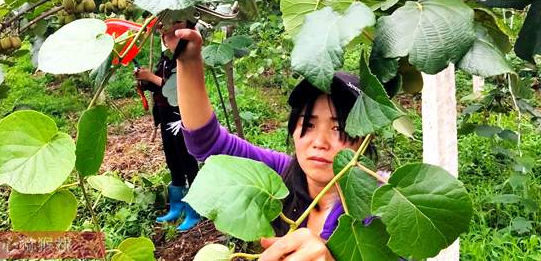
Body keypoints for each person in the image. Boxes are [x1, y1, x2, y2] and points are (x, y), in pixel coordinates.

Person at [173, 27, 370, 261]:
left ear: (366, 138)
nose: (319, 142)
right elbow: (207, 143)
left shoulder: (376, 212)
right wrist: (188, 60)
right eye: (308, 125)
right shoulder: (279, 174)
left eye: (339, 128)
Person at [134, 21, 201, 232]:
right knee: (172, 159)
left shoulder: (184, 60)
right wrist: (144, 81)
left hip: (181, 116)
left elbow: (176, 86)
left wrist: (151, 77)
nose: (166, 36)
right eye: (164, 33)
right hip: (165, 116)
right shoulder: (165, 59)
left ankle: (194, 208)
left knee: (187, 159)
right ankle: (177, 205)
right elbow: (158, 83)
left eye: (173, 32)